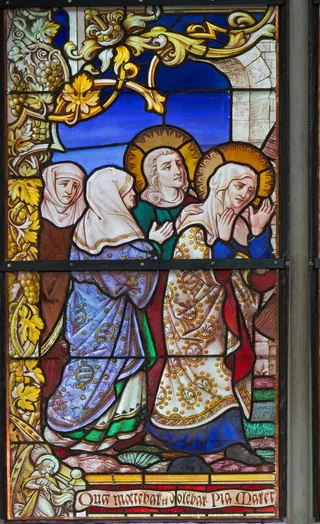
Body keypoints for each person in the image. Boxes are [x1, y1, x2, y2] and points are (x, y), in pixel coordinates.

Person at [148, 160, 276, 465]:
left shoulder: (245, 226)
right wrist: (221, 243)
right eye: (240, 185)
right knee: (213, 373)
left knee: (224, 374)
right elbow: (198, 276)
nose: (246, 193)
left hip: (227, 318)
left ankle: (233, 442)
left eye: (252, 189)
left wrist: (258, 236)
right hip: (193, 323)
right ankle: (187, 437)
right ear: (220, 184)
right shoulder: (194, 222)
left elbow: (263, 277)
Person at [45, 167, 158, 452]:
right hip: (103, 320)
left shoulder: (88, 226)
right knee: (97, 368)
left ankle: (110, 434)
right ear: (111, 196)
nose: (133, 194)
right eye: (126, 190)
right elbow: (130, 281)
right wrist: (152, 246)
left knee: (111, 366)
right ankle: (71, 430)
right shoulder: (118, 233)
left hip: (89, 314)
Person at [131, 146, 199, 412]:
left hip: (194, 294)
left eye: (179, 163)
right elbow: (134, 256)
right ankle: (151, 414)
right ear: (154, 176)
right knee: (159, 351)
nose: (178, 170)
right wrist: (155, 243)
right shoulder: (143, 210)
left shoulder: (195, 206)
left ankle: (190, 413)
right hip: (157, 292)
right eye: (168, 166)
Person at [38, 163, 87, 396]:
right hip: (45, 298)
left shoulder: (84, 219)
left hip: (78, 300)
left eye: (76, 185)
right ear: (50, 183)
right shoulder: (35, 220)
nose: (70, 190)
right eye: (64, 183)